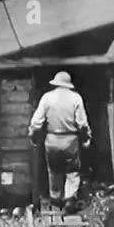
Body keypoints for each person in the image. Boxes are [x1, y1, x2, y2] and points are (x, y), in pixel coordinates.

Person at [29, 71, 92, 215]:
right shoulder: (76, 98)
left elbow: (36, 122)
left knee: (54, 169)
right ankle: (70, 199)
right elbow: (82, 123)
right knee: (72, 171)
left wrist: (33, 135)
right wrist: (86, 138)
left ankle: (55, 198)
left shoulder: (47, 98)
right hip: (70, 139)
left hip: (52, 139)